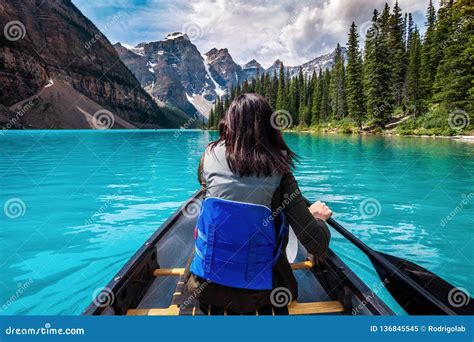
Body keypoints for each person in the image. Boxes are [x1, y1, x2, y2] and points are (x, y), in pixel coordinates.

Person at [187, 93, 332, 315]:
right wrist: (318, 219)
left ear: (229, 123)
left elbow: (207, 188)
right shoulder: (280, 171)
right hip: (264, 295)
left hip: (208, 290)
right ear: (270, 127)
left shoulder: (207, 157)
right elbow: (316, 245)